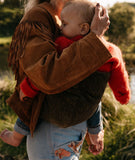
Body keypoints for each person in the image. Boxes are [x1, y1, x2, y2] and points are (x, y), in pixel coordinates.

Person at [0, 0, 115, 159]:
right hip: (52, 128)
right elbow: (45, 76)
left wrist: (94, 128)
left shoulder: (72, 13)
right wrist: (94, 36)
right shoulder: (39, 16)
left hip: (71, 126)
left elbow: (86, 77)